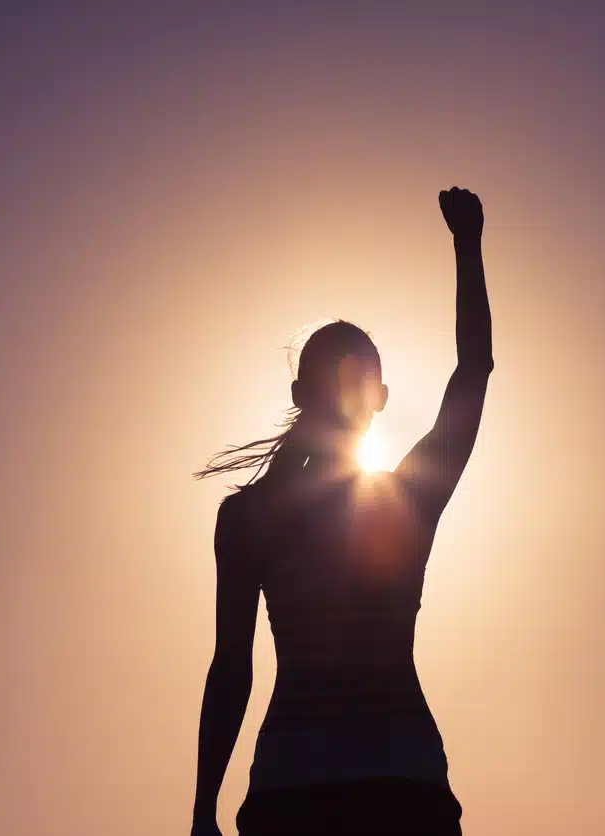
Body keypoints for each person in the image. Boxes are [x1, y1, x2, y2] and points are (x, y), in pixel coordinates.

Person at [190, 187, 493, 836]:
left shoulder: (248, 517)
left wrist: (202, 812)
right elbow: (474, 370)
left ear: (300, 393)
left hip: (294, 791)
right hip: (400, 787)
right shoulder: (409, 497)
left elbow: (231, 668)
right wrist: (468, 246)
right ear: (378, 398)